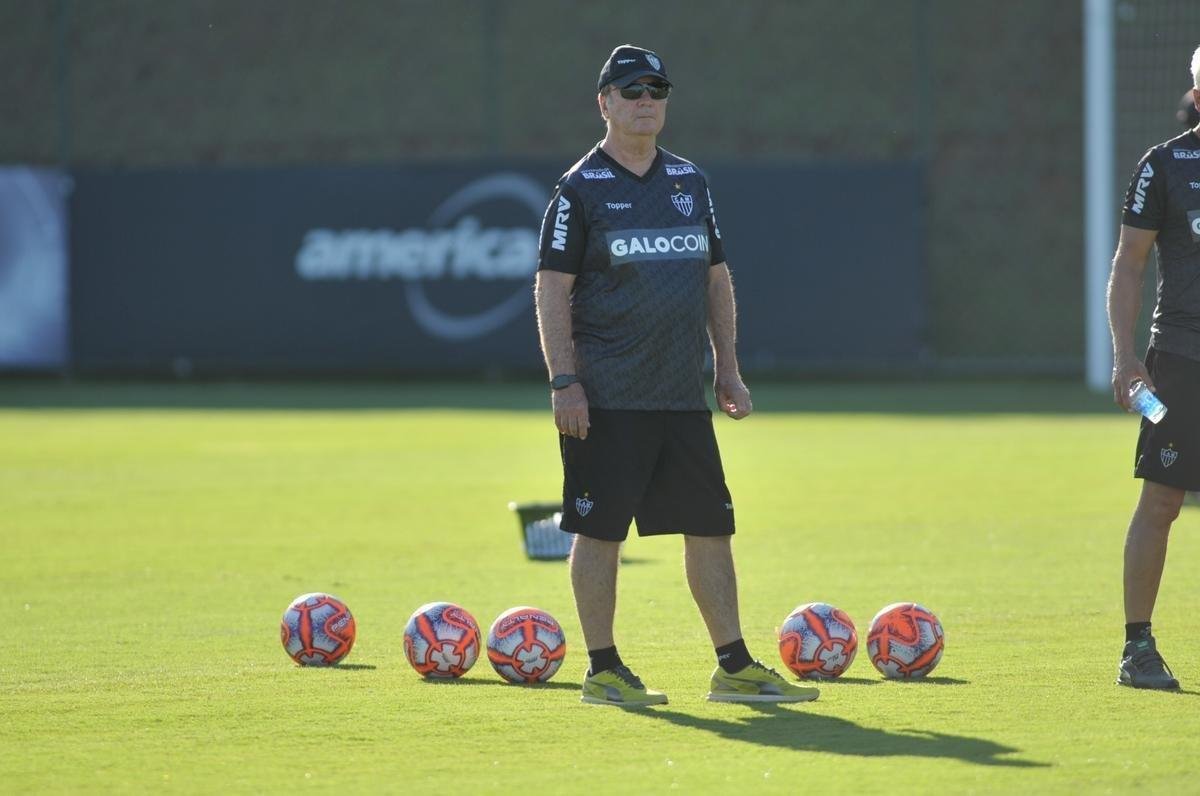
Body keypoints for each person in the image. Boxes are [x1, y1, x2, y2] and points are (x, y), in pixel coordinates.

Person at [533, 44, 818, 707]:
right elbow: (551, 290)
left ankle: (734, 666)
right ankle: (603, 669)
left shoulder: (690, 182)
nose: (645, 102)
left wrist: (730, 369)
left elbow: (714, 277)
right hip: (606, 397)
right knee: (598, 532)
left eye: (656, 91)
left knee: (710, 527)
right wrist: (564, 382)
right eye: (630, 91)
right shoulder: (581, 189)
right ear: (604, 102)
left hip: (680, 397)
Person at [1105, 46, 1200, 691]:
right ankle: (1137, 647)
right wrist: (1125, 356)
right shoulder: (1163, 165)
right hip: (1178, 364)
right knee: (1161, 499)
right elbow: (1129, 265)